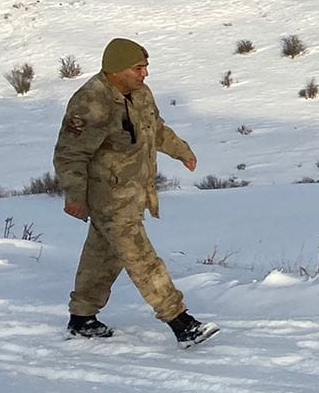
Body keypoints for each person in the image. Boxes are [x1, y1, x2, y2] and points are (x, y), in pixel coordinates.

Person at [53, 37, 217, 347]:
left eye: (145, 67)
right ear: (116, 70)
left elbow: (155, 129)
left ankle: (82, 318)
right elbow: (70, 154)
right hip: (108, 199)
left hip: (134, 192)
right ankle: (181, 322)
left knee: (103, 256)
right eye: (138, 68)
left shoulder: (140, 94)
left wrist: (182, 151)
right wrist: (74, 196)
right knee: (141, 257)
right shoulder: (91, 102)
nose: (145, 74)